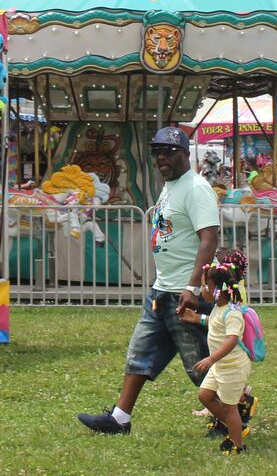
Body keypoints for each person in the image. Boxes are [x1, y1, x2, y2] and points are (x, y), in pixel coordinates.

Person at [77, 127, 256, 435]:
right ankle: (120, 418)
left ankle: (236, 410)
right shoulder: (171, 186)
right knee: (139, 353)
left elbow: (209, 239)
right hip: (162, 290)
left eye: (169, 151)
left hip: (185, 291)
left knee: (200, 363)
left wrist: (190, 286)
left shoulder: (197, 188)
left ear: (186, 154)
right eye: (157, 151)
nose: (162, 157)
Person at [180, 251, 254, 454]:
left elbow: (231, 340)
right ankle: (236, 426)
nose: (201, 290)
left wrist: (211, 358)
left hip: (232, 367)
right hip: (220, 366)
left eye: (204, 286)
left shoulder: (233, 312)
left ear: (216, 291)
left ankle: (238, 445)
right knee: (205, 395)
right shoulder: (218, 309)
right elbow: (214, 324)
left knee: (230, 408)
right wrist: (195, 318)